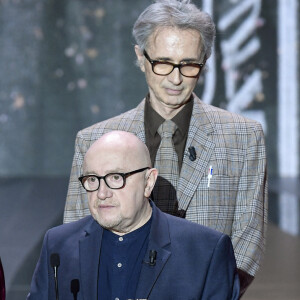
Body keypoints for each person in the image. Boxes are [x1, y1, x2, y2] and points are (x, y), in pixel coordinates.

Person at [64, 0, 268, 295]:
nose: (175, 78)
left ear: (205, 61)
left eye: (189, 65)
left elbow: (250, 239)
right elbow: (77, 234)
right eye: (163, 63)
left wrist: (213, 290)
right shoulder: (94, 140)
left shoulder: (243, 137)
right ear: (140, 57)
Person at [28, 131, 240, 299]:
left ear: (148, 182)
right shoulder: (58, 245)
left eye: (115, 177)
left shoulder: (205, 251)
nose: (102, 193)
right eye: (92, 179)